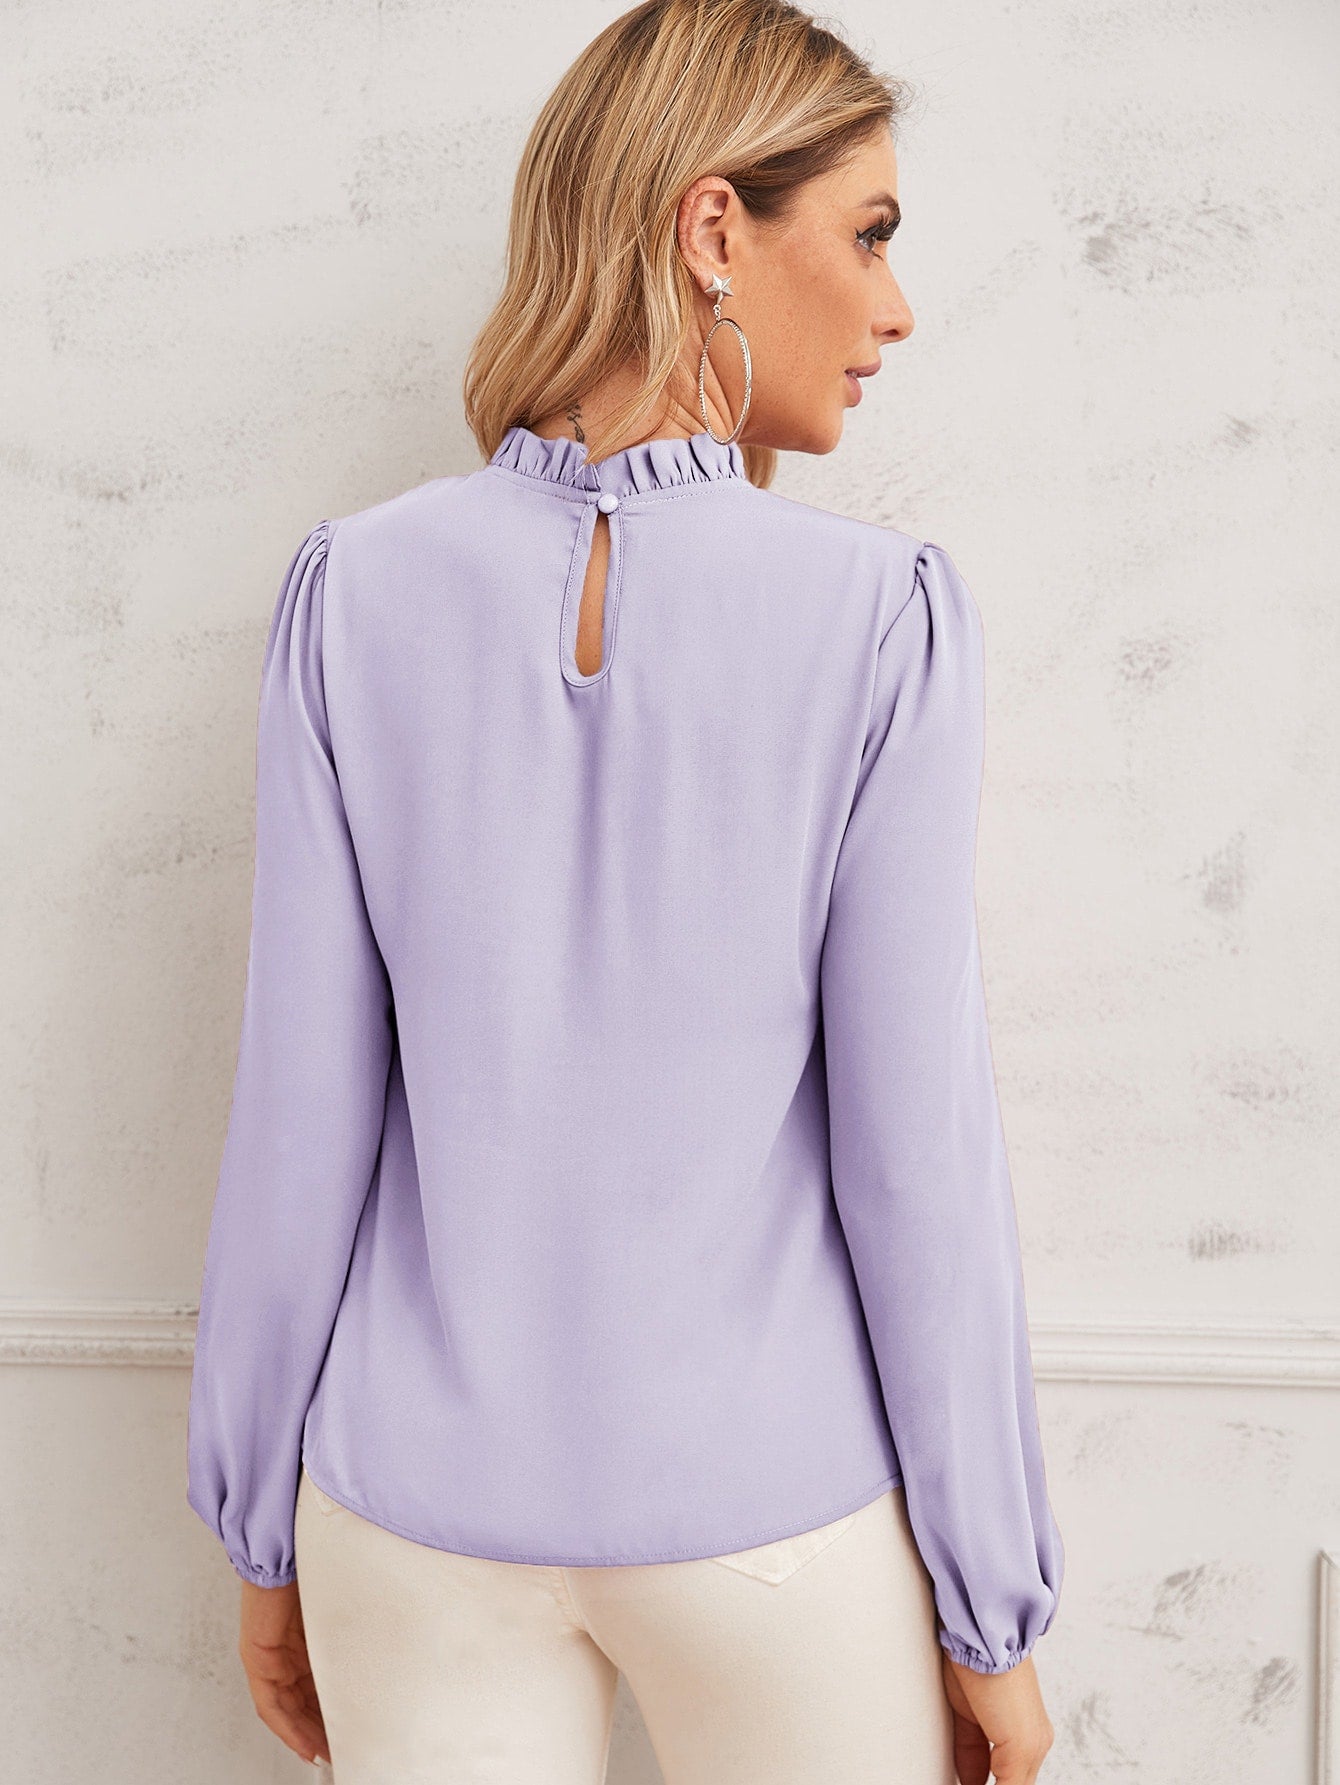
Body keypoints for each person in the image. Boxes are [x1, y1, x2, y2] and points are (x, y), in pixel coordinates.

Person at [185, 1, 1064, 1780]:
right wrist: (993, 1610)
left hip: (406, 1520)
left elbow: (297, 1121)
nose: (898, 307)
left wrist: (263, 1530)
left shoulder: (352, 593)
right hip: (771, 1526)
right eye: (871, 236)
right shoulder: (879, 620)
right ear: (714, 226)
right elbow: (916, 1164)